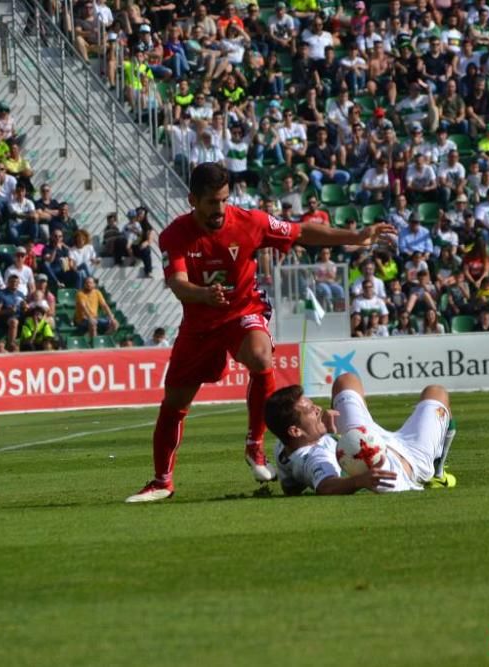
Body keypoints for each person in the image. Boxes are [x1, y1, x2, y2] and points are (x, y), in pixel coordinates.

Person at [126, 162, 395, 503]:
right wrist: (202, 294)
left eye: (224, 200)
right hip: (199, 326)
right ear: (193, 199)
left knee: (259, 355)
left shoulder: (250, 222)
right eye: (211, 202)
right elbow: (176, 283)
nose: (220, 209)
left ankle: (255, 444)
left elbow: (301, 232)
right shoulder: (174, 235)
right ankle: (162, 480)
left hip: (243, 311)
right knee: (175, 403)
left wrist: (355, 238)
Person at [264, 372, 457, 496]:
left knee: (345, 380)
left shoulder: (283, 447)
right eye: (309, 410)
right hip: (406, 459)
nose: (317, 409)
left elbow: (290, 487)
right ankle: (436, 471)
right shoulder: (315, 456)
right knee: (437, 392)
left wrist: (329, 433)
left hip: (361, 435)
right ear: (295, 431)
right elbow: (326, 487)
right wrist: (359, 480)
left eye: (312, 404)